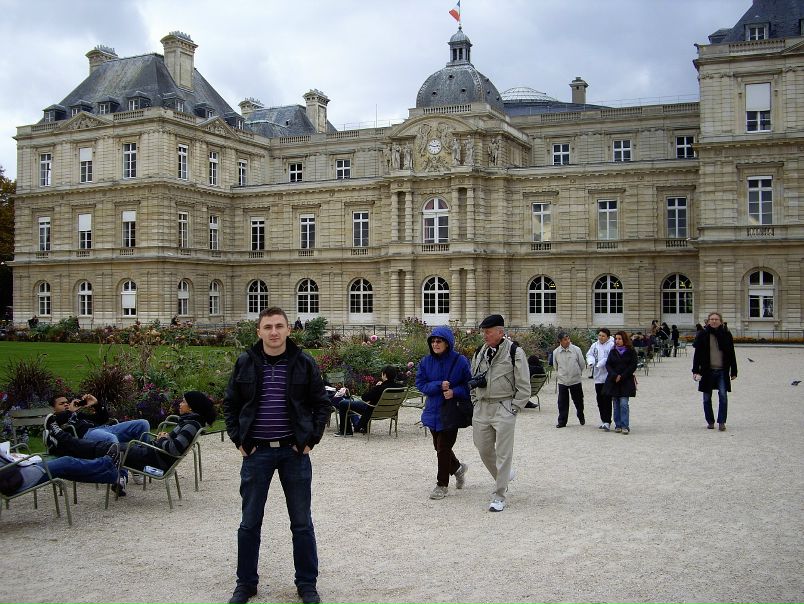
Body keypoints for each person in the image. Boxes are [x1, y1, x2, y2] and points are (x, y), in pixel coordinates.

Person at [223, 307, 330, 604]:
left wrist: (311, 440)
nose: (273, 332)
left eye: (279, 326)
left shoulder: (303, 362)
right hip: (256, 451)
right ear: (258, 331)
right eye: (268, 327)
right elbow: (230, 403)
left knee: (302, 523)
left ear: (288, 330)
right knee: (249, 522)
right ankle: (246, 583)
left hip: (293, 452)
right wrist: (238, 440)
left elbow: (321, 403)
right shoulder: (246, 361)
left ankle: (307, 584)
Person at [469, 314, 530, 512]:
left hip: (503, 406)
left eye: (488, 332)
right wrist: (474, 400)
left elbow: (524, 384)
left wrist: (514, 408)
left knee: (504, 453)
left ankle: (499, 495)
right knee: (483, 448)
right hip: (482, 407)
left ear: (500, 332)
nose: (484, 335)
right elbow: (473, 377)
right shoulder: (480, 352)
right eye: (484, 332)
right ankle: (503, 476)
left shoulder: (514, 352)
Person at [416, 327, 472, 501]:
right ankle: (458, 469)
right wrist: (438, 385)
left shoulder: (460, 361)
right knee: (439, 447)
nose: (435, 344)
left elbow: (469, 385)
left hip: (451, 412)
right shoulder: (425, 362)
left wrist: (454, 392)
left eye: (439, 341)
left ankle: (442, 485)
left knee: (443, 448)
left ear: (447, 343)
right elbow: (420, 384)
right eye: (433, 341)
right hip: (433, 410)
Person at [121, 391, 216, 473]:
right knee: (117, 449)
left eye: (183, 402)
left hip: (155, 460)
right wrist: (167, 437)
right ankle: (119, 479)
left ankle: (118, 481)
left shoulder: (191, 426)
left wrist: (162, 439)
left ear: (191, 407)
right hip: (154, 454)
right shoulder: (189, 422)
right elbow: (176, 443)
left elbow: (175, 448)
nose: (180, 404)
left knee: (116, 450)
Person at [0, 443, 121, 497]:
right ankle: (107, 462)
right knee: (66, 462)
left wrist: (8, 457)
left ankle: (110, 476)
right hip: (15, 478)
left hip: (16, 470)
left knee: (66, 470)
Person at [692, 312, 737, 431]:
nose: (714, 321)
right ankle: (710, 421)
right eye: (711, 319)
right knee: (706, 398)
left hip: (722, 370)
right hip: (707, 371)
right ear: (708, 321)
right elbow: (697, 354)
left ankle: (721, 422)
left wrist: (734, 371)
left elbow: (731, 353)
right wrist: (695, 370)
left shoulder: (726, 334)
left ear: (720, 321)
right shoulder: (703, 334)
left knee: (723, 396)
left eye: (716, 319)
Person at [49, 394, 150, 447]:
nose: (66, 404)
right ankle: (119, 474)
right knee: (110, 438)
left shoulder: (79, 415)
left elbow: (102, 419)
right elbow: (58, 422)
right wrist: (70, 412)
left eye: (67, 402)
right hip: (87, 436)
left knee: (143, 424)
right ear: (53, 408)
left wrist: (96, 404)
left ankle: (141, 459)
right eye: (62, 404)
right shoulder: (54, 419)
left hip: (105, 429)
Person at [333, 366, 401, 436]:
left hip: (372, 410)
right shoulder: (400, 388)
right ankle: (360, 426)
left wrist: (377, 386)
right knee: (350, 404)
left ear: (385, 375)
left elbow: (364, 398)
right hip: (389, 412)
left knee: (343, 403)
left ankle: (347, 431)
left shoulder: (381, 388)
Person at [603, 331, 638, 434]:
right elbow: (608, 364)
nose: (617, 341)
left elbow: (633, 365)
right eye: (616, 339)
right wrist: (614, 375)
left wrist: (622, 376)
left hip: (626, 380)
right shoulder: (613, 351)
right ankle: (618, 425)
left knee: (623, 403)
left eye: (619, 339)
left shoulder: (631, 351)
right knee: (616, 404)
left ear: (624, 340)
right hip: (614, 381)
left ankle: (625, 425)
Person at [552, 332, 586, 428]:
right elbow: (555, 366)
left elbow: (582, 363)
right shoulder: (556, 352)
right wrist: (561, 374)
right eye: (565, 339)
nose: (567, 341)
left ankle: (580, 415)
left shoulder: (576, 350)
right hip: (563, 380)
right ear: (560, 341)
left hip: (575, 379)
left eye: (568, 339)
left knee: (578, 400)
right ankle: (562, 421)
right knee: (562, 402)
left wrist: (577, 372)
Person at [586, 328, 614, 431]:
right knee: (599, 399)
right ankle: (603, 420)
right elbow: (589, 354)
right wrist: (591, 361)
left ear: (607, 337)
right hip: (598, 376)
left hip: (608, 375)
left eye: (603, 336)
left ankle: (607, 421)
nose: (601, 337)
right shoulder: (595, 345)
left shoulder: (611, 345)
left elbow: (610, 357)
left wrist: (602, 363)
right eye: (599, 335)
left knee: (607, 399)